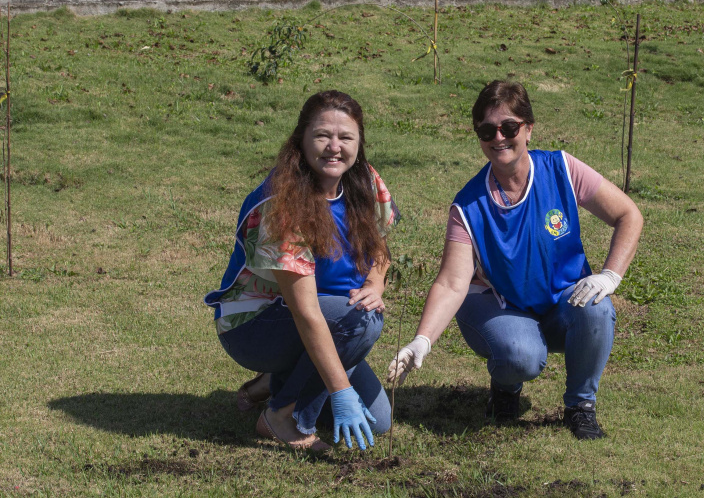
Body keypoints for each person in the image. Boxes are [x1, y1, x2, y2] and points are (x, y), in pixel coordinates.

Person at [387, 80, 642, 440]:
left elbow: (628, 214)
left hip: (561, 302)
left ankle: (580, 406)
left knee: (597, 308)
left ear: (529, 128)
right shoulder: (469, 206)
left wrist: (610, 276)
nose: (499, 137)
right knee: (520, 356)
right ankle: (506, 387)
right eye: (487, 130)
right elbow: (451, 282)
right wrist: (421, 341)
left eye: (509, 127)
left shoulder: (561, 169)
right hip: (500, 306)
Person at [205, 90, 399, 451]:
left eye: (346, 137)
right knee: (360, 321)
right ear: (301, 139)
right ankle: (283, 416)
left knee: (381, 419)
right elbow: (306, 312)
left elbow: (381, 245)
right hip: (257, 327)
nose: (334, 147)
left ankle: (273, 383)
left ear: (359, 143)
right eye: (323, 135)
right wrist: (340, 390)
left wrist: (375, 282)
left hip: (332, 318)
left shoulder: (365, 182)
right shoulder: (283, 206)